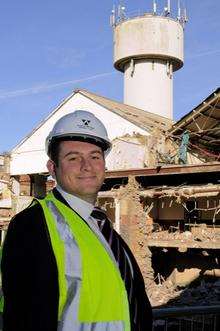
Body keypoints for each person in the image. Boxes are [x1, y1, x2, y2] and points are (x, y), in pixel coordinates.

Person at [1, 110, 152, 331]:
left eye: (94, 156)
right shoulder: (31, 225)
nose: (87, 166)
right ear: (53, 168)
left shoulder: (101, 227)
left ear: (104, 165)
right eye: (73, 158)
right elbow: (23, 319)